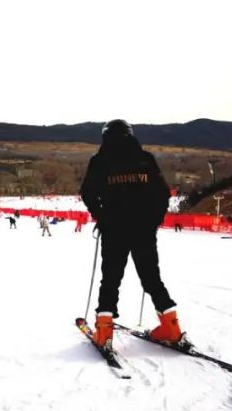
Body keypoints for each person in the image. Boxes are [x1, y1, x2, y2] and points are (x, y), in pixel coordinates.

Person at [80, 119, 179, 351]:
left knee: (111, 279)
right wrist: (154, 219)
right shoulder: (146, 159)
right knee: (152, 278)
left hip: (114, 228)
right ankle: (171, 328)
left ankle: (104, 332)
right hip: (143, 228)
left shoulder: (100, 160)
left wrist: (101, 215)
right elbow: (163, 193)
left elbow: (87, 193)